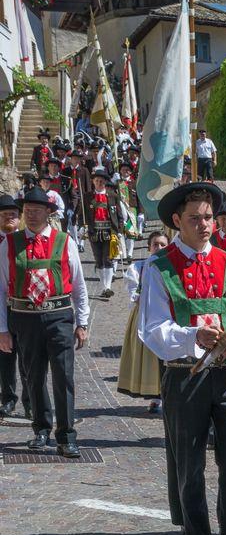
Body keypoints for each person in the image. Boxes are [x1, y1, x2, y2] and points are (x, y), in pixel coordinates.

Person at [138, 182, 226, 535]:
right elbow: (151, 329)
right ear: (176, 222)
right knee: (190, 465)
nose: (205, 225)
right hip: (184, 376)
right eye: (196, 219)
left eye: (208, 217)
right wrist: (191, 336)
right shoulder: (157, 267)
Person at [0, 186, 90, 458]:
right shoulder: (10, 243)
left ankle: (66, 436)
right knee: (33, 376)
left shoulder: (65, 241)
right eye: (27, 211)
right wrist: (3, 329)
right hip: (24, 319)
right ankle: (40, 429)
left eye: (37, 211)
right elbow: (1, 288)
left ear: (49, 213)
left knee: (64, 377)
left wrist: (82, 322)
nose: (32, 216)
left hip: (59, 317)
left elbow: (79, 286)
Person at [118, 230, 169, 411]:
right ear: (149, 247)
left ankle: (167, 395)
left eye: (163, 244)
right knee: (149, 359)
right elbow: (134, 294)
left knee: (166, 356)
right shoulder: (138, 268)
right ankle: (155, 397)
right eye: (156, 244)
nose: (159, 248)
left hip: (167, 317)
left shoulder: (171, 267)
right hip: (144, 317)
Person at [0, 195, 31, 421]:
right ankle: (8, 399)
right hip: (1, 305)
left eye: (13, 214)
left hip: (23, 306)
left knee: (28, 358)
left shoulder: (26, 240)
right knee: (4, 357)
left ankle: (31, 401)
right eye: (4, 215)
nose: (9, 218)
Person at [85, 167, 122, 298]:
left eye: (101, 181)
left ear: (105, 182)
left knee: (108, 258)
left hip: (109, 231)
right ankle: (103, 286)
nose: (99, 183)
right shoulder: (88, 196)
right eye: (97, 181)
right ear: (93, 182)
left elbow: (119, 215)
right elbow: (82, 214)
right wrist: (81, 226)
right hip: (94, 231)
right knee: (98, 260)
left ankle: (108, 287)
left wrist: (120, 230)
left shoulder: (113, 196)